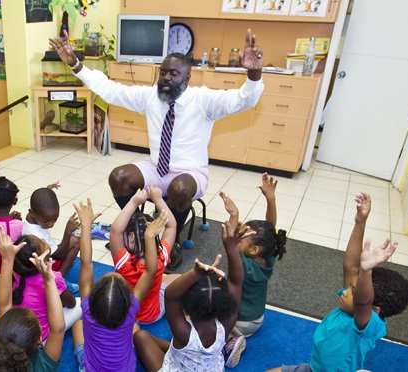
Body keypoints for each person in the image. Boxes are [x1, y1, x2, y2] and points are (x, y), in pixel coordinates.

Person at [49, 29, 265, 271]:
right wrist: (76, 64)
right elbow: (110, 90)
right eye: (163, 72)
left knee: (179, 188)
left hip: (190, 172)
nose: (166, 78)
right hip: (156, 167)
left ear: (187, 78)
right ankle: (136, 231)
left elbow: (243, 100)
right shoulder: (150, 96)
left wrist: (254, 73)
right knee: (119, 177)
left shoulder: (203, 100)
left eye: (174, 74)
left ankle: (170, 242)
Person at [269, 193, 408, 372]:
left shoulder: (369, 325)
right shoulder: (350, 305)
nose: (344, 292)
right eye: (351, 287)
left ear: (374, 311)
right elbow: (350, 266)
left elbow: (363, 302)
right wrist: (360, 223)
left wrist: (366, 271)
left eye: (352, 290)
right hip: (314, 368)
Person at [134, 219, 254, 372]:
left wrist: (195, 273)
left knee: (140, 336)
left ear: (186, 307)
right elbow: (237, 283)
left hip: (177, 362)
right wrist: (231, 248)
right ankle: (173, 347)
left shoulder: (183, 332)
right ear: (225, 303)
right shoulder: (226, 325)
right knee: (170, 343)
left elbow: (170, 295)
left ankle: (173, 348)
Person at [72, 198, 162, 372]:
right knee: (135, 326)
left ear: (93, 298)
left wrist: (85, 225)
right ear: (128, 302)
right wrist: (150, 237)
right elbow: (150, 271)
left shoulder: (87, 309)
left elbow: (86, 263)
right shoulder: (131, 313)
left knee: (78, 325)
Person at [219, 174, 287, 366]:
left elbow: (228, 241)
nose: (238, 232)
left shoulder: (241, 264)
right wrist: (270, 199)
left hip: (240, 322)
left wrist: (234, 216)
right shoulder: (269, 255)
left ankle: (232, 343)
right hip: (258, 318)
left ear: (253, 249)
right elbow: (271, 228)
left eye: (243, 235)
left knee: (206, 318)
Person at [0, 229, 65, 371]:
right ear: (40, 341)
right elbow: (58, 329)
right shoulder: (42, 366)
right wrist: (49, 280)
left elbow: (4, 304)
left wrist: (7, 259)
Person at [109, 186, 177, 324]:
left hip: (129, 315)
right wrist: (158, 199)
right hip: (153, 316)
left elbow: (116, 230)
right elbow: (172, 226)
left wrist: (134, 202)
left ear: (132, 237)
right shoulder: (161, 257)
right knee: (178, 278)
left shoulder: (124, 263)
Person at [1, 232, 81, 341]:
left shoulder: (17, 274)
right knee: (81, 303)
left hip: (18, 334)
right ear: (41, 258)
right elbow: (71, 304)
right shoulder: (54, 277)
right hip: (42, 338)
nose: (44, 240)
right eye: (42, 243)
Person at [22, 185, 81, 290]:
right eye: (46, 221)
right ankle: (58, 281)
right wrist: (68, 232)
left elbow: (39, 202)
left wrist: (47, 190)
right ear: (33, 213)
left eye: (55, 219)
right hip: (42, 267)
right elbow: (60, 254)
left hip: (32, 262)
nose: (51, 224)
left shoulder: (31, 216)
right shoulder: (38, 235)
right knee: (76, 242)